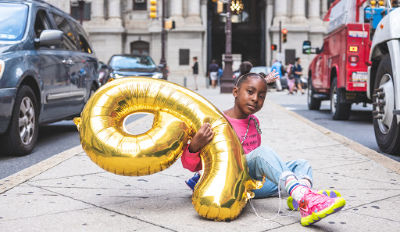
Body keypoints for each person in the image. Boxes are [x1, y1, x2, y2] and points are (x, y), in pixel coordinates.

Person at [181, 72, 345, 226]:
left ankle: (301, 199)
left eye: (261, 96)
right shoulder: (217, 122)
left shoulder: (254, 122)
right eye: (250, 92)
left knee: (301, 165)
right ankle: (304, 196)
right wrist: (195, 145)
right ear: (235, 92)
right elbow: (190, 165)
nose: (255, 99)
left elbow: (259, 163)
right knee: (262, 154)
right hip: (229, 182)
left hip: (251, 184)